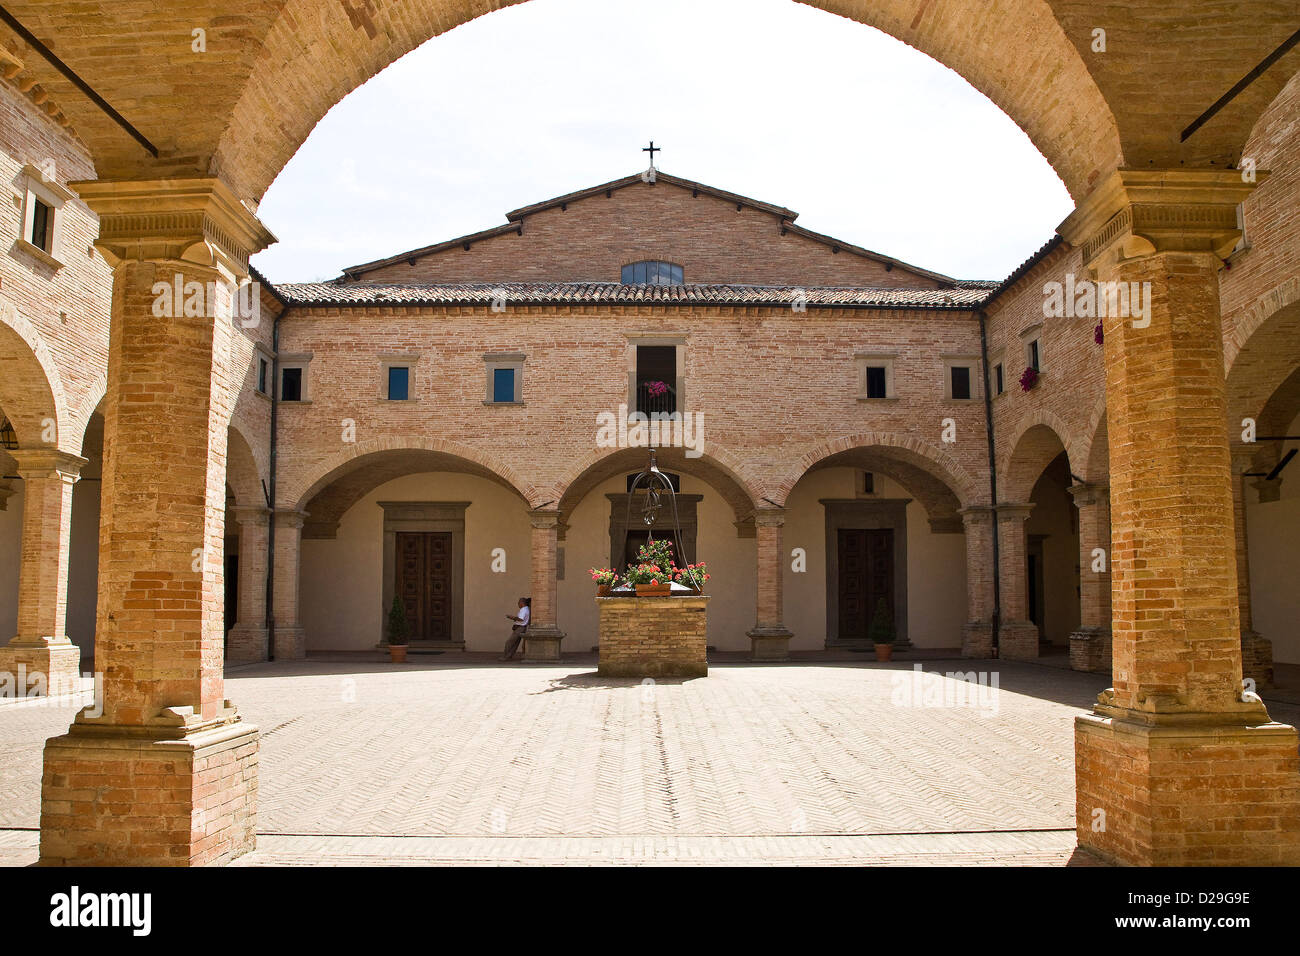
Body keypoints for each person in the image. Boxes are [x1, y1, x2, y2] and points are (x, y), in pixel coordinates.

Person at [500, 597, 531, 661]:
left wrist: (512, 617)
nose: (518, 604)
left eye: (518, 602)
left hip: (520, 628)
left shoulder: (523, 609)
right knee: (515, 643)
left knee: (509, 642)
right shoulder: (527, 609)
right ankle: (509, 656)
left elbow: (521, 619)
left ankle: (505, 656)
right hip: (523, 627)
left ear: (522, 603)